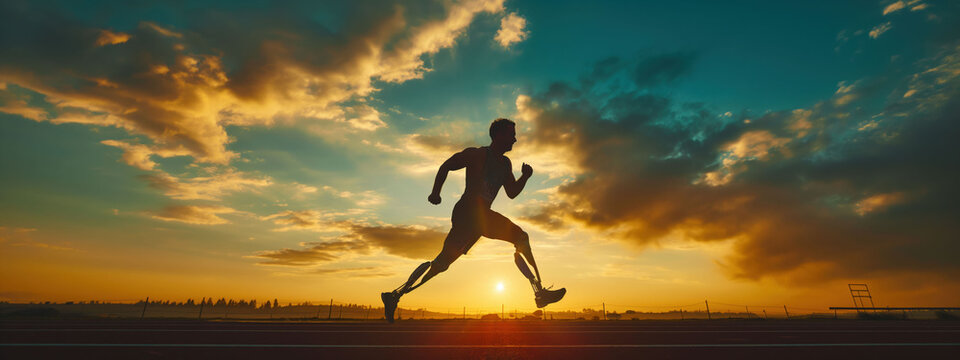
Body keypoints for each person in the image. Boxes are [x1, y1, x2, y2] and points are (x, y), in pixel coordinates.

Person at [380, 118, 565, 323]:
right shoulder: (476, 154)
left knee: (442, 264)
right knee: (520, 238)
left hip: (482, 217)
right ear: (498, 135)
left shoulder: (505, 164)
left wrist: (526, 177)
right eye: (511, 134)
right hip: (468, 213)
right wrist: (435, 193)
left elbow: (511, 192)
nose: (515, 139)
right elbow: (446, 166)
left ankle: (394, 296)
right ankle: (540, 293)